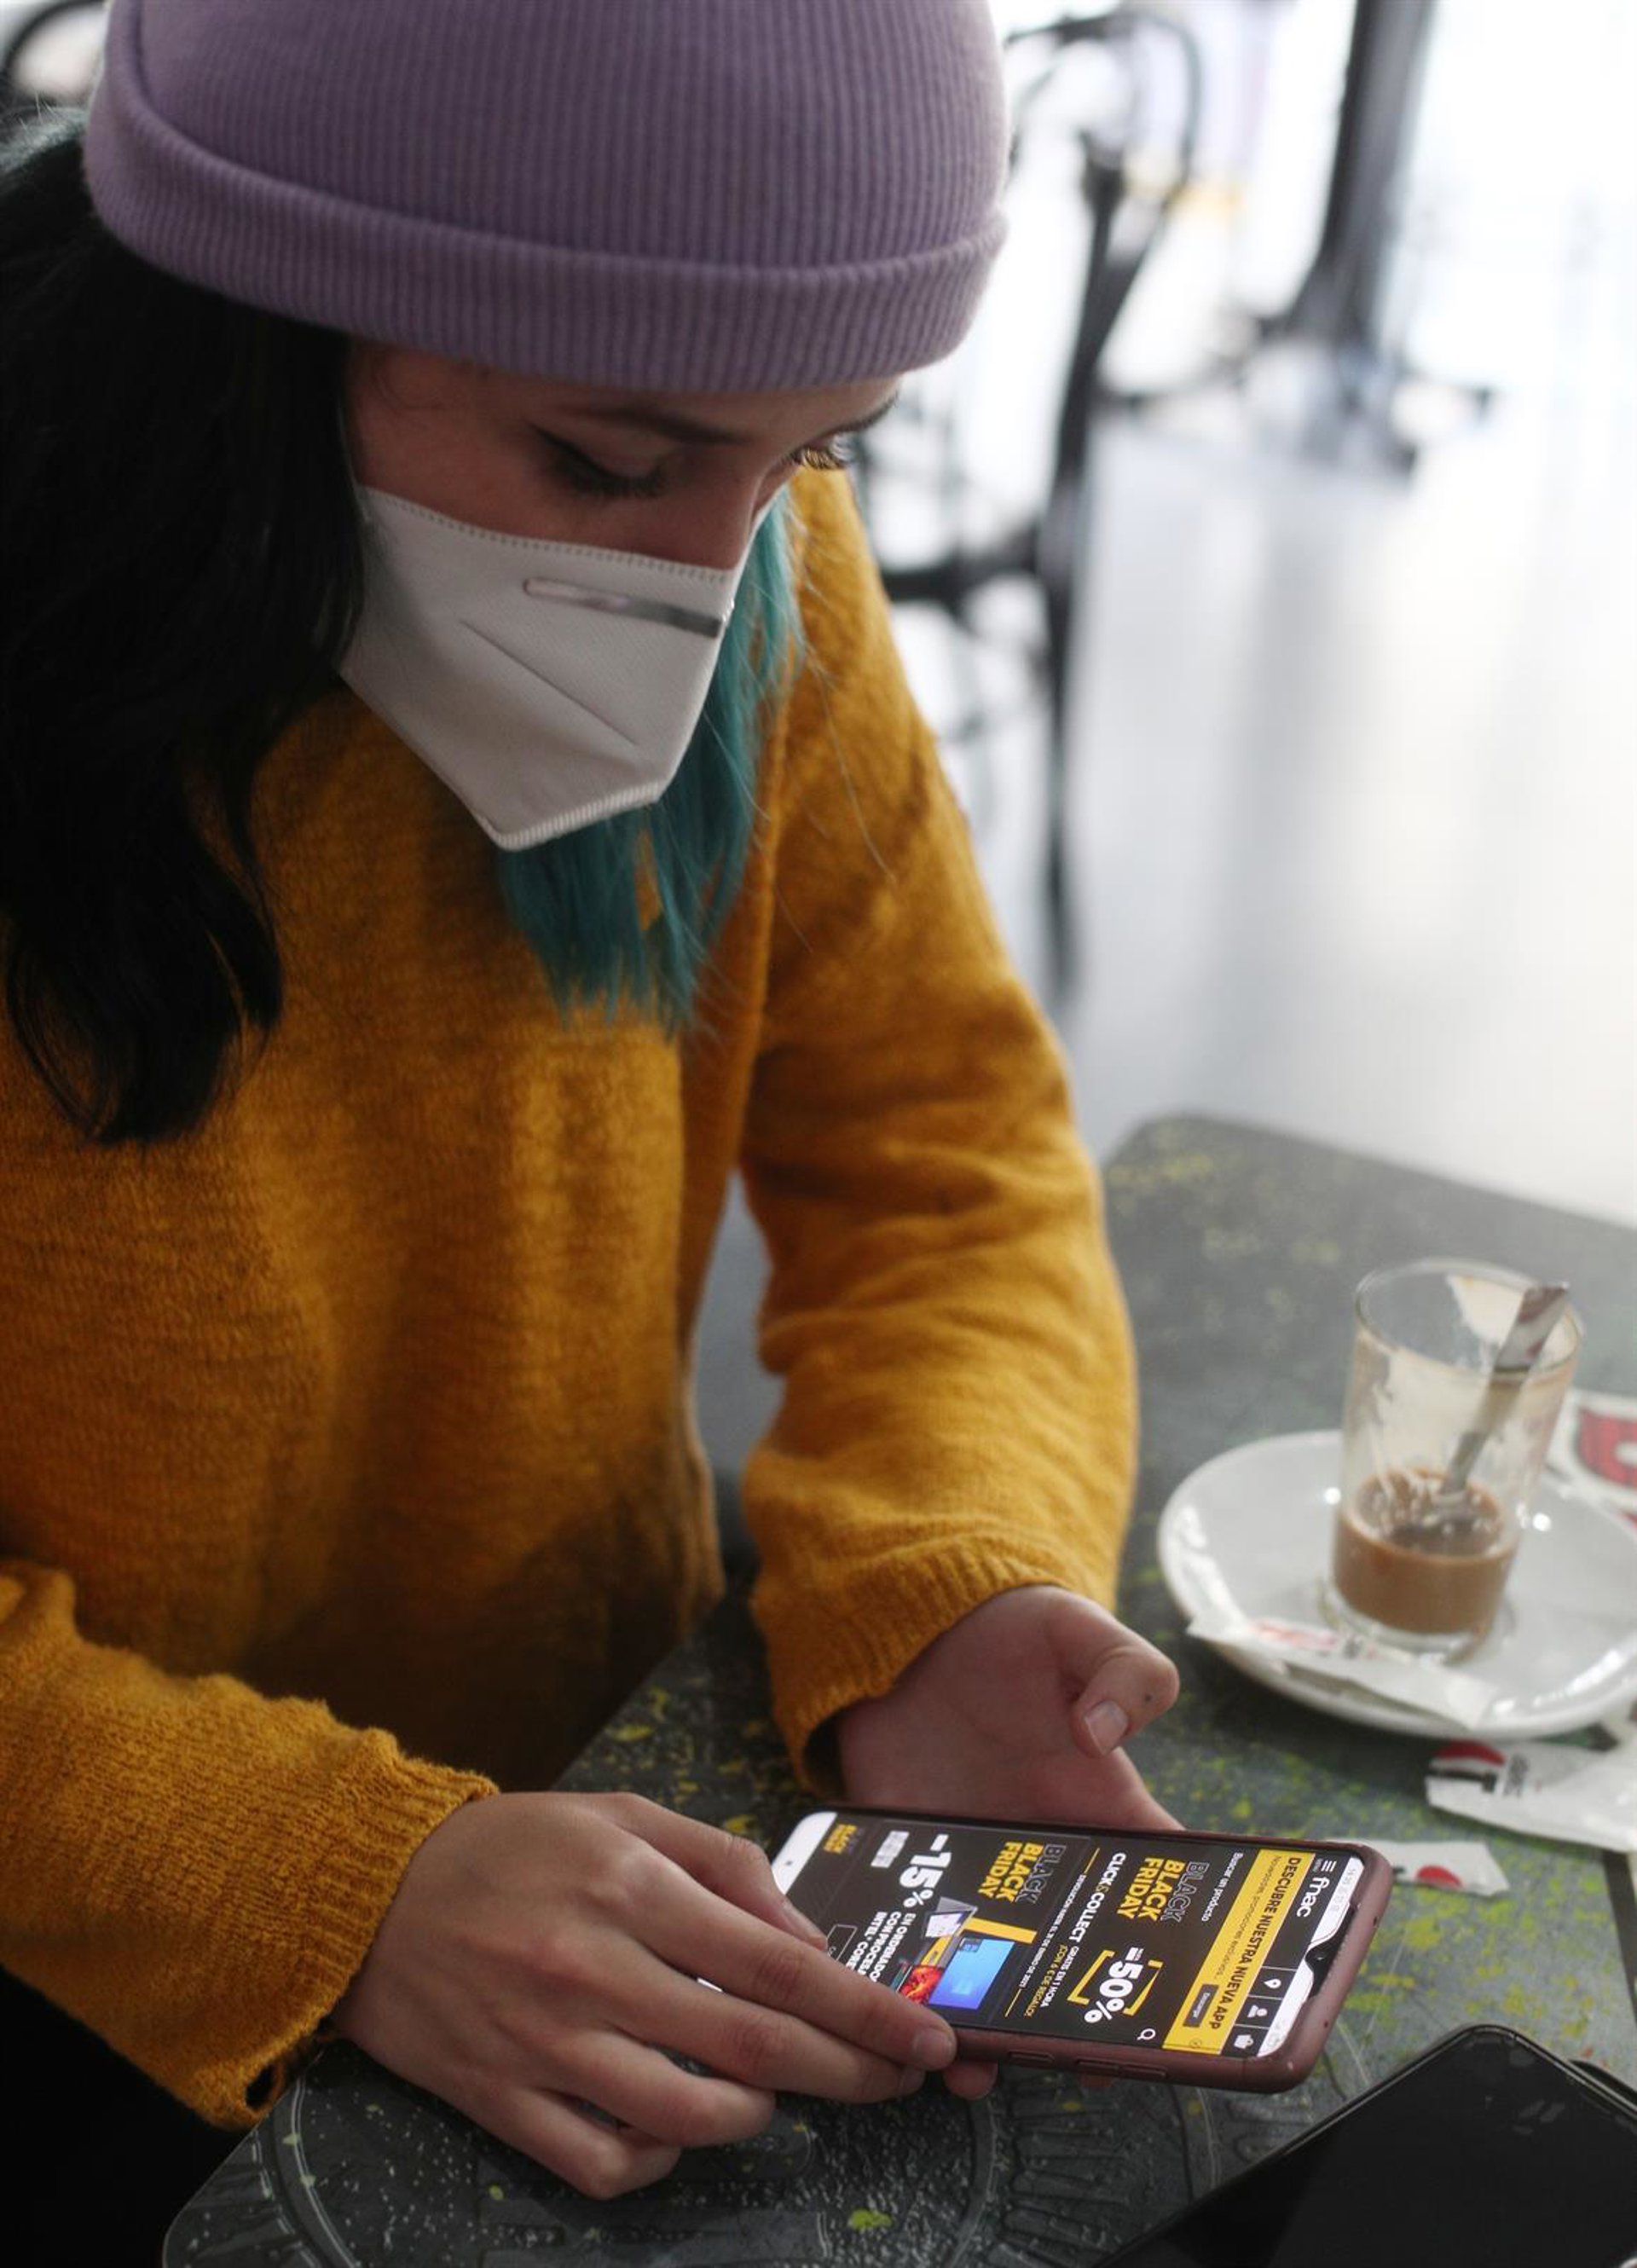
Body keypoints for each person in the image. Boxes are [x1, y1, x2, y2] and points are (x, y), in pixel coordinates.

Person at [0, 0, 1181, 2250]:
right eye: (609, 461)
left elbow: (947, 1155)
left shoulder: (769, 587)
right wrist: (335, 1880)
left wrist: (946, 1577)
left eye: (820, 455)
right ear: (254, 324)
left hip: (602, 1786)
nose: (718, 583)